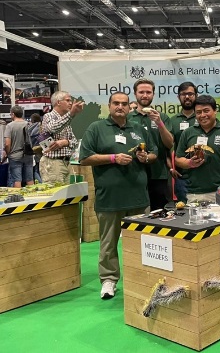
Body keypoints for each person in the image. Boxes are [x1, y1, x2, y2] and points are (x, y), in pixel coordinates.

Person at [79, 92, 158, 300]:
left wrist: (145, 157)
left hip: (138, 197)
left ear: (129, 108)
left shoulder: (139, 129)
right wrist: (113, 158)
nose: (120, 107)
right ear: (109, 105)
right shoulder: (96, 128)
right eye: (116, 103)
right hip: (110, 197)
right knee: (108, 243)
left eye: (124, 104)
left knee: (142, 242)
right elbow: (85, 158)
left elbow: (153, 153)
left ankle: (141, 278)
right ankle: (109, 280)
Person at [175, 95, 220, 203]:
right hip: (194, 194)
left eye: (206, 111)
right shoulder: (187, 133)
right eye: (198, 112)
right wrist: (189, 163)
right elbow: (178, 159)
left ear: (215, 111)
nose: (202, 115)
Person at [128, 78, 174, 210]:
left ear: (153, 94)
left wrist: (159, 123)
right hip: (134, 174)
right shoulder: (128, 118)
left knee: (158, 214)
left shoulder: (162, 117)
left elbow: (169, 144)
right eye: (141, 92)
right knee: (136, 214)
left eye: (148, 92)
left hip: (158, 174)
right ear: (135, 94)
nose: (145, 95)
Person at [40, 91, 84, 183]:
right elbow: (53, 128)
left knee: (66, 196)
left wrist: (65, 142)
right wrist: (71, 114)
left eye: (71, 101)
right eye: (67, 100)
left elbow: (75, 141)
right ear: (58, 102)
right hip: (52, 163)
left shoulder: (66, 120)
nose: (71, 103)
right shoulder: (48, 116)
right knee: (56, 194)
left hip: (67, 163)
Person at [169, 82, 198, 202]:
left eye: (190, 94)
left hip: (204, 176)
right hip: (182, 177)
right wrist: (171, 168)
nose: (187, 97)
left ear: (196, 95)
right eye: (183, 94)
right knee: (185, 214)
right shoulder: (173, 121)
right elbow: (167, 147)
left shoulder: (203, 117)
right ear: (178, 97)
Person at [4, 106, 35, 188]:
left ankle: (18, 199)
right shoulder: (29, 125)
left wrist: (8, 153)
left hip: (15, 156)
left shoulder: (10, 126)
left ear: (13, 114)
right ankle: (32, 198)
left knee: (17, 180)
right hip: (28, 155)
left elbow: (7, 144)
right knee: (30, 179)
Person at [28, 113, 42, 182]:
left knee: (36, 170)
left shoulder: (31, 129)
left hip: (34, 151)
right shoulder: (41, 126)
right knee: (39, 170)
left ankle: (40, 183)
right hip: (41, 150)